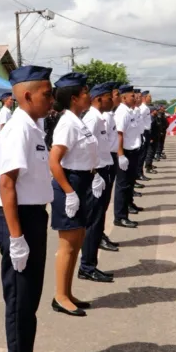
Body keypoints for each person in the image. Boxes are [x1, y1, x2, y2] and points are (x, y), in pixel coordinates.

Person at [0, 65, 59, 352]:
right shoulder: (18, 128)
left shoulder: (33, 126)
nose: (51, 99)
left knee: (30, 296)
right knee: (20, 297)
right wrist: (16, 238)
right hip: (17, 219)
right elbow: (7, 184)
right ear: (27, 95)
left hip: (32, 216)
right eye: (47, 94)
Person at [48, 72, 98, 317]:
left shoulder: (78, 120)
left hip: (81, 181)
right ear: (75, 97)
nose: (89, 96)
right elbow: (54, 161)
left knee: (78, 240)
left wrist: (95, 174)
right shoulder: (67, 122)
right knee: (67, 245)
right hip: (69, 183)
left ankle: (67, 292)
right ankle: (60, 296)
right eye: (86, 92)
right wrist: (69, 191)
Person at [79, 83, 118, 283]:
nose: (112, 100)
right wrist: (94, 174)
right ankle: (87, 266)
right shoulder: (91, 119)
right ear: (100, 98)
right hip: (97, 173)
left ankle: (90, 264)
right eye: (109, 97)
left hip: (103, 170)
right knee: (93, 222)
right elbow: (85, 149)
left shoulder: (99, 119)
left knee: (98, 219)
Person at [113, 85, 142, 229]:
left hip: (133, 151)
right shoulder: (122, 113)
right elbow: (119, 134)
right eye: (132, 96)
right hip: (125, 153)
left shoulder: (129, 111)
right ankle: (120, 217)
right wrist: (121, 155)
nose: (135, 98)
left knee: (129, 184)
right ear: (124, 98)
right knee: (122, 186)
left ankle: (126, 211)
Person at [101, 83, 121, 249]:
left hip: (111, 158)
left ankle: (100, 234)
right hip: (105, 160)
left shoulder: (110, 115)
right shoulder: (104, 117)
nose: (117, 99)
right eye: (115, 96)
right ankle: (97, 235)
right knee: (100, 203)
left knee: (105, 201)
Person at [136, 90, 152, 181]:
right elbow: (139, 121)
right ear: (144, 97)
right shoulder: (143, 108)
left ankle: (140, 172)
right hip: (143, 131)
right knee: (142, 155)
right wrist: (142, 133)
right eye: (149, 97)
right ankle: (139, 173)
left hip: (146, 131)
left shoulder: (145, 107)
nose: (151, 99)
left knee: (144, 154)